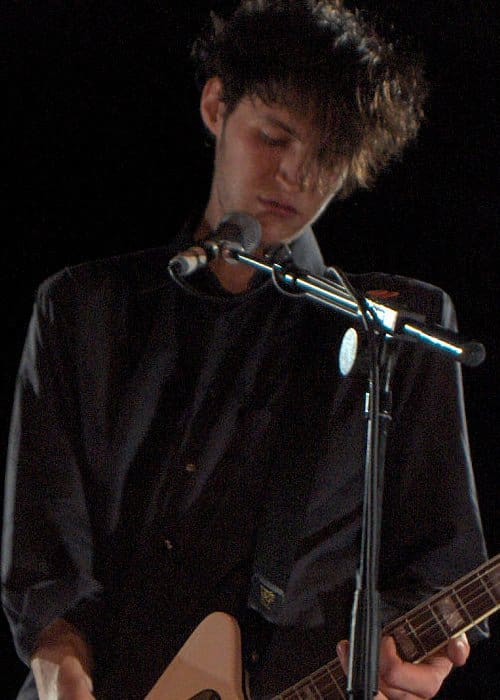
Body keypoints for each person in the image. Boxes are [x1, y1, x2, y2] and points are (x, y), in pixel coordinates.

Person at [1, 1, 488, 698]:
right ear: (215, 106)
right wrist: (60, 671)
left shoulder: (394, 326)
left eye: (325, 155)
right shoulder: (82, 309)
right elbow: (44, 566)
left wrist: (418, 651)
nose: (295, 174)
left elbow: (440, 564)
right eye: (274, 136)